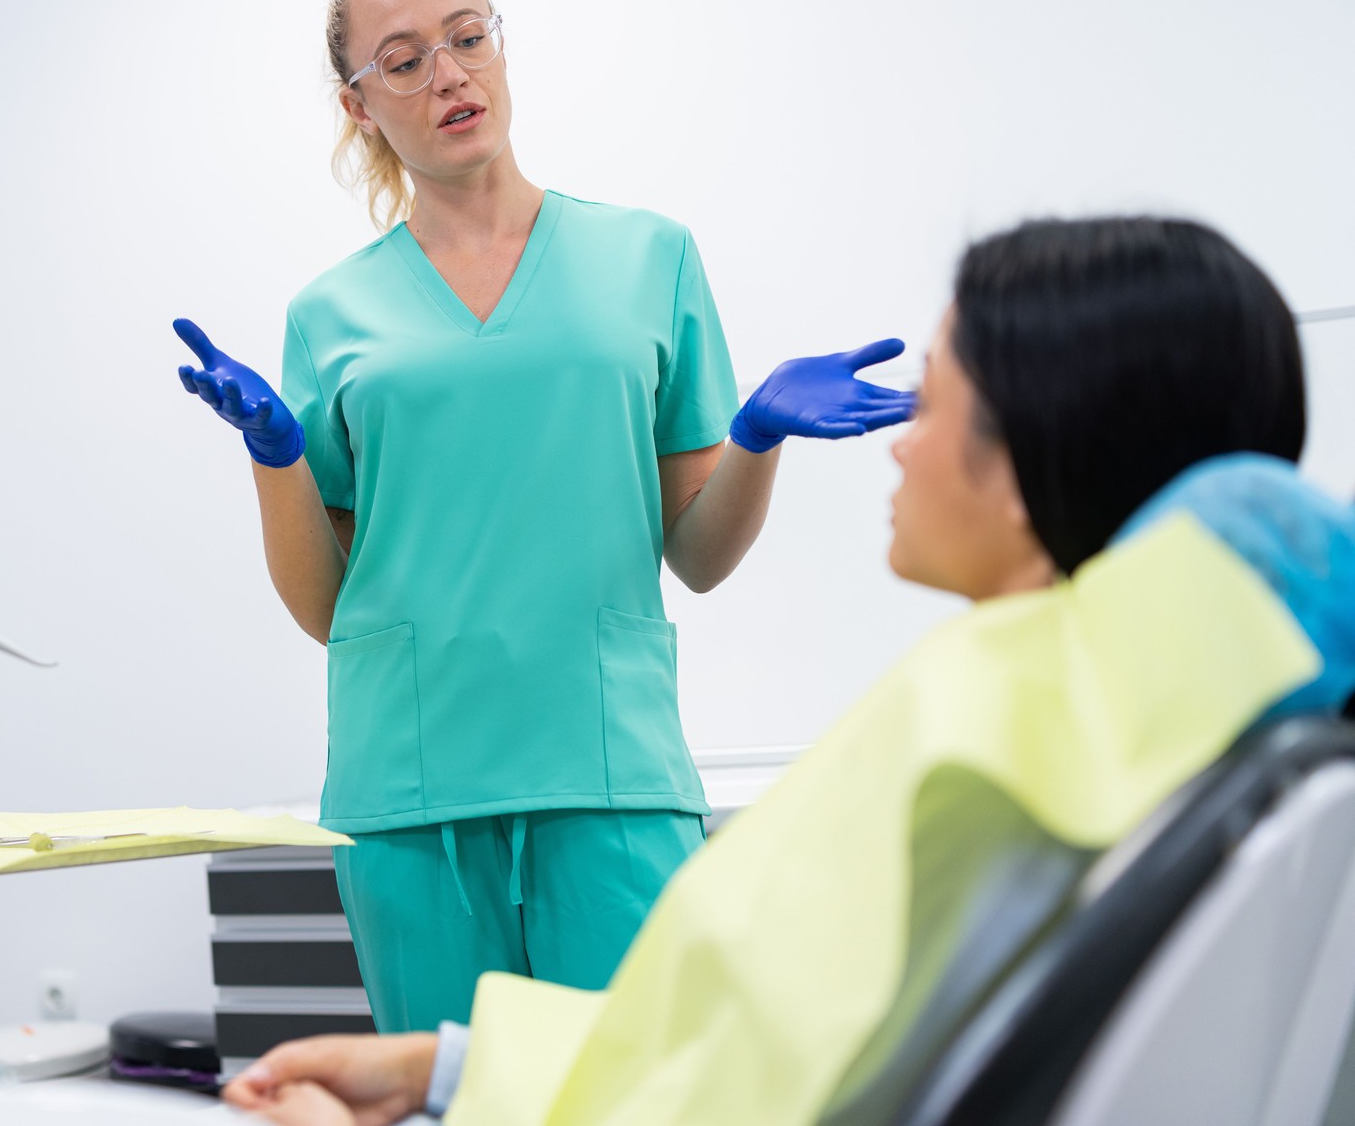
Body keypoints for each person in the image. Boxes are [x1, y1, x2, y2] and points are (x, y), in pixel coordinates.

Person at [220, 215, 1355, 1125]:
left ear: (1024, 457)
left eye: (940, 391)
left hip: (603, 793)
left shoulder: (984, 723)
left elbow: (739, 1076)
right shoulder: (1146, 714)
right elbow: (749, 1035)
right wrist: (446, 1066)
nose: (903, 436)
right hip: (423, 804)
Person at [172, 0, 913, 1032]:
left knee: (635, 1100)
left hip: (608, 777)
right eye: (405, 59)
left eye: (468, 38)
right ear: (359, 103)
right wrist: (275, 459)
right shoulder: (329, 317)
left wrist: (754, 435)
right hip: (412, 793)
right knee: (446, 1105)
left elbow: (699, 559)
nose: (451, 76)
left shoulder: (648, 259)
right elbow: (329, 608)